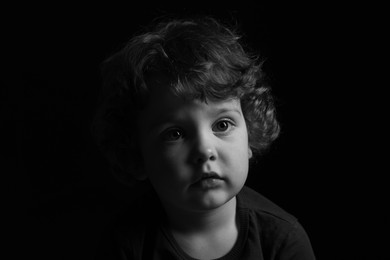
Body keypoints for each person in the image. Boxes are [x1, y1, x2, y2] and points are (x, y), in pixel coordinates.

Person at [91, 15, 316, 260]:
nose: (204, 150)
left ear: (251, 133)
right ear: (136, 153)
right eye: (175, 134)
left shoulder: (282, 241)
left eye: (222, 124)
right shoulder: (126, 246)